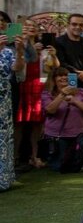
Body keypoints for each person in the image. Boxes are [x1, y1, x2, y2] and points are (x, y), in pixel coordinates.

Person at [40, 67, 83, 171]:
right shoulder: (47, 94)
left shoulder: (81, 92)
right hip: (57, 136)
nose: (63, 78)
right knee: (59, 167)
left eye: (66, 75)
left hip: (78, 136)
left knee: (77, 165)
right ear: (54, 79)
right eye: (60, 75)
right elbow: (50, 110)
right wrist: (62, 95)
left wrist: (75, 101)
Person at [14, 19, 46, 169]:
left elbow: (46, 72)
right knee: (18, 123)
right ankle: (14, 156)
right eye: (27, 26)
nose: (30, 28)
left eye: (33, 26)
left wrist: (44, 84)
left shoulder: (43, 48)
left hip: (38, 86)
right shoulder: (17, 44)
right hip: (21, 84)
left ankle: (35, 156)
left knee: (37, 124)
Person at [1, 13, 26, 191]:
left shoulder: (8, 51)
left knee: (3, 139)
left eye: (3, 23)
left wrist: (19, 50)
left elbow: (17, 69)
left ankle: (3, 179)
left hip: (4, 100)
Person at [53, 13, 83, 92]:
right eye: (74, 24)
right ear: (68, 25)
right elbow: (62, 63)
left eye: (81, 25)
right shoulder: (58, 42)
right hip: (67, 82)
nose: (78, 27)